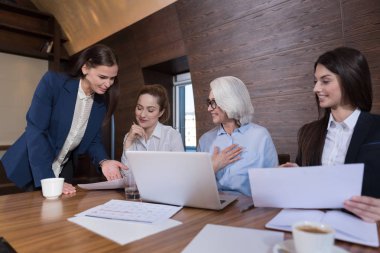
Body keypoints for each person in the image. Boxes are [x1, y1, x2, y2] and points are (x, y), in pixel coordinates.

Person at [1, 44, 127, 195]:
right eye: (102, 77)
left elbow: (93, 140)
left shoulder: (101, 101)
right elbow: (36, 132)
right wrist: (49, 180)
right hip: (33, 167)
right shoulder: (53, 83)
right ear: (85, 68)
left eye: (112, 78)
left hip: (64, 170)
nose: (108, 84)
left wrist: (104, 161)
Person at [281, 47, 380, 222]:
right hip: (311, 226)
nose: (316, 89)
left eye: (325, 81)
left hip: (364, 230)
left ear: (351, 79)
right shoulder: (307, 133)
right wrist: (296, 176)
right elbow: (307, 186)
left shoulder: (376, 128)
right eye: (315, 81)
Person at [197, 76, 278, 196]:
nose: (209, 108)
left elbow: (275, 184)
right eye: (209, 102)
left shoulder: (260, 136)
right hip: (214, 206)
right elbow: (194, 187)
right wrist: (213, 167)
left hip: (251, 208)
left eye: (214, 102)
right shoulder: (205, 140)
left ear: (230, 102)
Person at [121, 84, 184, 166]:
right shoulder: (128, 137)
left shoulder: (172, 136)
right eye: (139, 108)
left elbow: (179, 172)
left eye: (150, 110)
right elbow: (127, 175)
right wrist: (128, 142)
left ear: (161, 112)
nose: (142, 115)